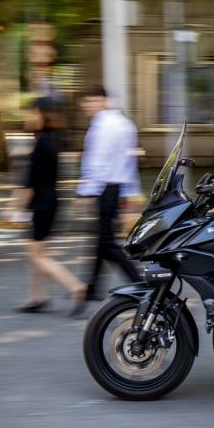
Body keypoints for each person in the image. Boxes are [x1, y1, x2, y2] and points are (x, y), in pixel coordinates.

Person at [18, 97, 87, 316]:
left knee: (38, 256)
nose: (29, 116)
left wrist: (16, 208)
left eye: (32, 112)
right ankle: (37, 296)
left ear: (42, 114)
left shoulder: (41, 142)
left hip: (41, 204)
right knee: (34, 253)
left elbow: (30, 182)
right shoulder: (52, 139)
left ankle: (75, 287)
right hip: (50, 202)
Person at [77, 87, 142, 300]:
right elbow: (129, 162)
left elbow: (97, 162)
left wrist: (86, 192)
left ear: (105, 101)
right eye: (86, 101)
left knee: (107, 243)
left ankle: (141, 285)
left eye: (94, 100)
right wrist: (130, 192)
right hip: (115, 188)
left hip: (104, 188)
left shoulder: (101, 126)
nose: (89, 105)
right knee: (101, 240)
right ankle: (92, 287)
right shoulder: (124, 123)